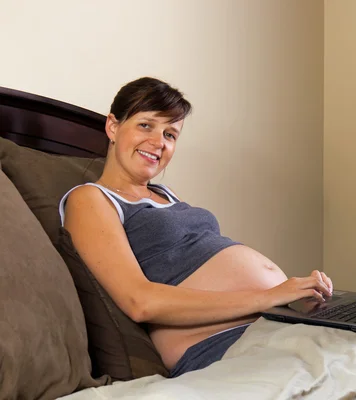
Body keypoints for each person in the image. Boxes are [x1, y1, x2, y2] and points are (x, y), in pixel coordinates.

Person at [59, 77, 333, 378]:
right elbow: (140, 301)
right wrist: (268, 297)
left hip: (268, 325)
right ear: (113, 126)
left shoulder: (167, 196)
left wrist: (296, 300)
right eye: (146, 125)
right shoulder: (90, 199)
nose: (159, 142)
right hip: (219, 345)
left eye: (170, 134)